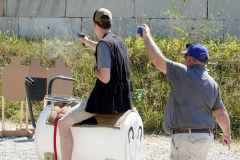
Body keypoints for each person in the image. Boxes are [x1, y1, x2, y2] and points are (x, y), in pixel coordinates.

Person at [138, 24, 231, 160]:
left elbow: (156, 59)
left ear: (188, 58)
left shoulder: (183, 73)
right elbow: (221, 112)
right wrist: (227, 134)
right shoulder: (213, 83)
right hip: (206, 139)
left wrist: (147, 36)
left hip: (188, 139)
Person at [58, 8, 133, 160]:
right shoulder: (119, 42)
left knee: (62, 123)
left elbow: (105, 78)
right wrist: (87, 42)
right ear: (110, 24)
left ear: (94, 24)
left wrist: (95, 68)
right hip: (123, 100)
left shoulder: (103, 45)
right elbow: (103, 48)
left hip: (105, 101)